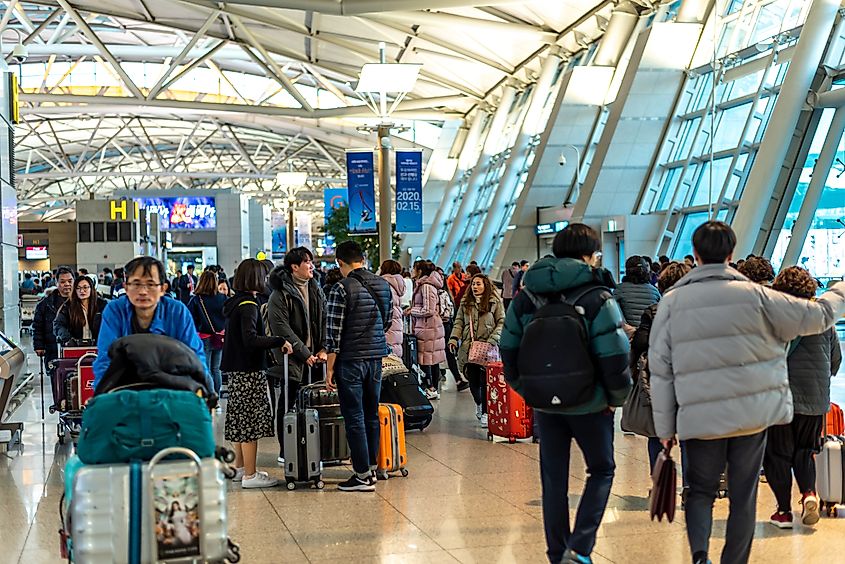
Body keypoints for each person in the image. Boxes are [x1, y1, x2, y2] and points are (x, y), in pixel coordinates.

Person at [649, 221, 845, 564]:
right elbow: (819, 315)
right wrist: (840, 290)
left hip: (699, 416)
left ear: (695, 254)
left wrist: (665, 430)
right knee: (744, 494)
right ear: (731, 253)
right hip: (750, 417)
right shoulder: (759, 297)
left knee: (699, 493)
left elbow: (661, 370)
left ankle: (698, 556)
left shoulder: (671, 302)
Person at [499, 224, 632, 564]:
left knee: (553, 480)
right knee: (601, 470)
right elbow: (614, 355)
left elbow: (508, 347)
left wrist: (527, 389)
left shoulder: (527, 296)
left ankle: (557, 553)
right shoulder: (598, 296)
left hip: (546, 404)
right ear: (590, 256)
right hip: (591, 405)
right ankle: (581, 547)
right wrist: (614, 399)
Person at [763, 266, 842, 529]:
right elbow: (834, 362)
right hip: (815, 399)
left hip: (780, 399)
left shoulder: (774, 320)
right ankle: (809, 493)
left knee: (777, 455)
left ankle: (784, 512)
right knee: (806, 451)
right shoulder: (823, 319)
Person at [325, 240, 392, 492]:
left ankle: (362, 475)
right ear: (362, 258)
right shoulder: (383, 285)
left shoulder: (341, 289)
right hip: (376, 358)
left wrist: (329, 369)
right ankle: (372, 469)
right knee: (371, 412)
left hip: (350, 361)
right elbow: (387, 322)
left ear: (340, 262)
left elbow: (333, 335)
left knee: (354, 416)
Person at [221, 259, 292, 489]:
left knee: (239, 421)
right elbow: (250, 339)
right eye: (263, 276)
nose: (265, 280)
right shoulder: (249, 305)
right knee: (250, 423)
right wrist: (279, 340)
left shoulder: (235, 302)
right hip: (249, 370)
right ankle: (250, 475)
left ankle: (241, 467)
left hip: (235, 370)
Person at [93, 257, 210, 392]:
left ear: (163, 288)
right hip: (126, 391)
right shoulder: (114, 311)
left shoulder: (177, 311)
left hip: (171, 391)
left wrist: (206, 393)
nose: (143, 291)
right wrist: (101, 394)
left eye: (150, 284)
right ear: (126, 287)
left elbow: (195, 357)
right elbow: (105, 358)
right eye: (136, 284)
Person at [629, 261, 691, 473]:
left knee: (657, 433)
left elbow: (640, 343)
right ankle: (690, 487)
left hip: (661, 379)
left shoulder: (654, 311)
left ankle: (659, 482)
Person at [267, 247, 327, 464]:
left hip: (316, 358)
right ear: (294, 267)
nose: (311, 265)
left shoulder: (316, 288)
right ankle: (287, 449)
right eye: (307, 262)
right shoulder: (280, 294)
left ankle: (314, 447)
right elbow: (281, 327)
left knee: (315, 403)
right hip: (290, 360)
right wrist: (304, 353)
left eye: (311, 261)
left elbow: (323, 320)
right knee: (288, 404)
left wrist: (323, 347)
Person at [449, 273, 505, 428]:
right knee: (473, 380)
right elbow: (459, 321)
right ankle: (479, 403)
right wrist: (454, 338)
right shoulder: (466, 303)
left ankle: (486, 413)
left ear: (486, 285)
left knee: (485, 381)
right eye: (473, 284)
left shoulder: (494, 302)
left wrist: (493, 339)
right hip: (470, 348)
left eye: (478, 284)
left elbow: (502, 321)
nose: (475, 287)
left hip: (489, 348)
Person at [407, 261, 447, 400]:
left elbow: (428, 309)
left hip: (428, 328)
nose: (412, 270)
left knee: (427, 360)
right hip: (428, 327)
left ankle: (431, 388)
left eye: (414, 268)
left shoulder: (426, 286)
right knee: (431, 359)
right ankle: (433, 388)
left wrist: (412, 311)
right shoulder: (424, 285)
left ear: (420, 271)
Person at [34, 266, 75, 398]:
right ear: (56, 283)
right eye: (63, 281)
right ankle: (60, 410)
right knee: (57, 383)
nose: (67, 284)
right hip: (53, 349)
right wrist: (39, 345)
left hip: (76, 349)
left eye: (70, 281)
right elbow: (38, 326)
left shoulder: (82, 301)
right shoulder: (45, 304)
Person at [188, 271, 227, 397]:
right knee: (216, 369)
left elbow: (190, 319)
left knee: (206, 368)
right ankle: (217, 393)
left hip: (203, 337)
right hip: (219, 336)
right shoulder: (222, 298)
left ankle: (210, 394)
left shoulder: (196, 299)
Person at [54, 275, 108, 345]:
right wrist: (68, 339)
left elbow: (111, 324)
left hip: (99, 345)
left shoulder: (102, 305)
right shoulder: (68, 306)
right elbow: (58, 325)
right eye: (78, 288)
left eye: (85, 287)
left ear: (91, 288)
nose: (82, 291)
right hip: (75, 347)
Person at [615, 255, 661, 327]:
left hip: (627, 335)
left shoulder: (618, 290)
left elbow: (614, 315)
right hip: (648, 335)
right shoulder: (655, 292)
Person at [379, 259, 406, 358]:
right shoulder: (398, 284)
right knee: (395, 354)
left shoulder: (383, 284)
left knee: (388, 357)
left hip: (388, 324)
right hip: (397, 322)